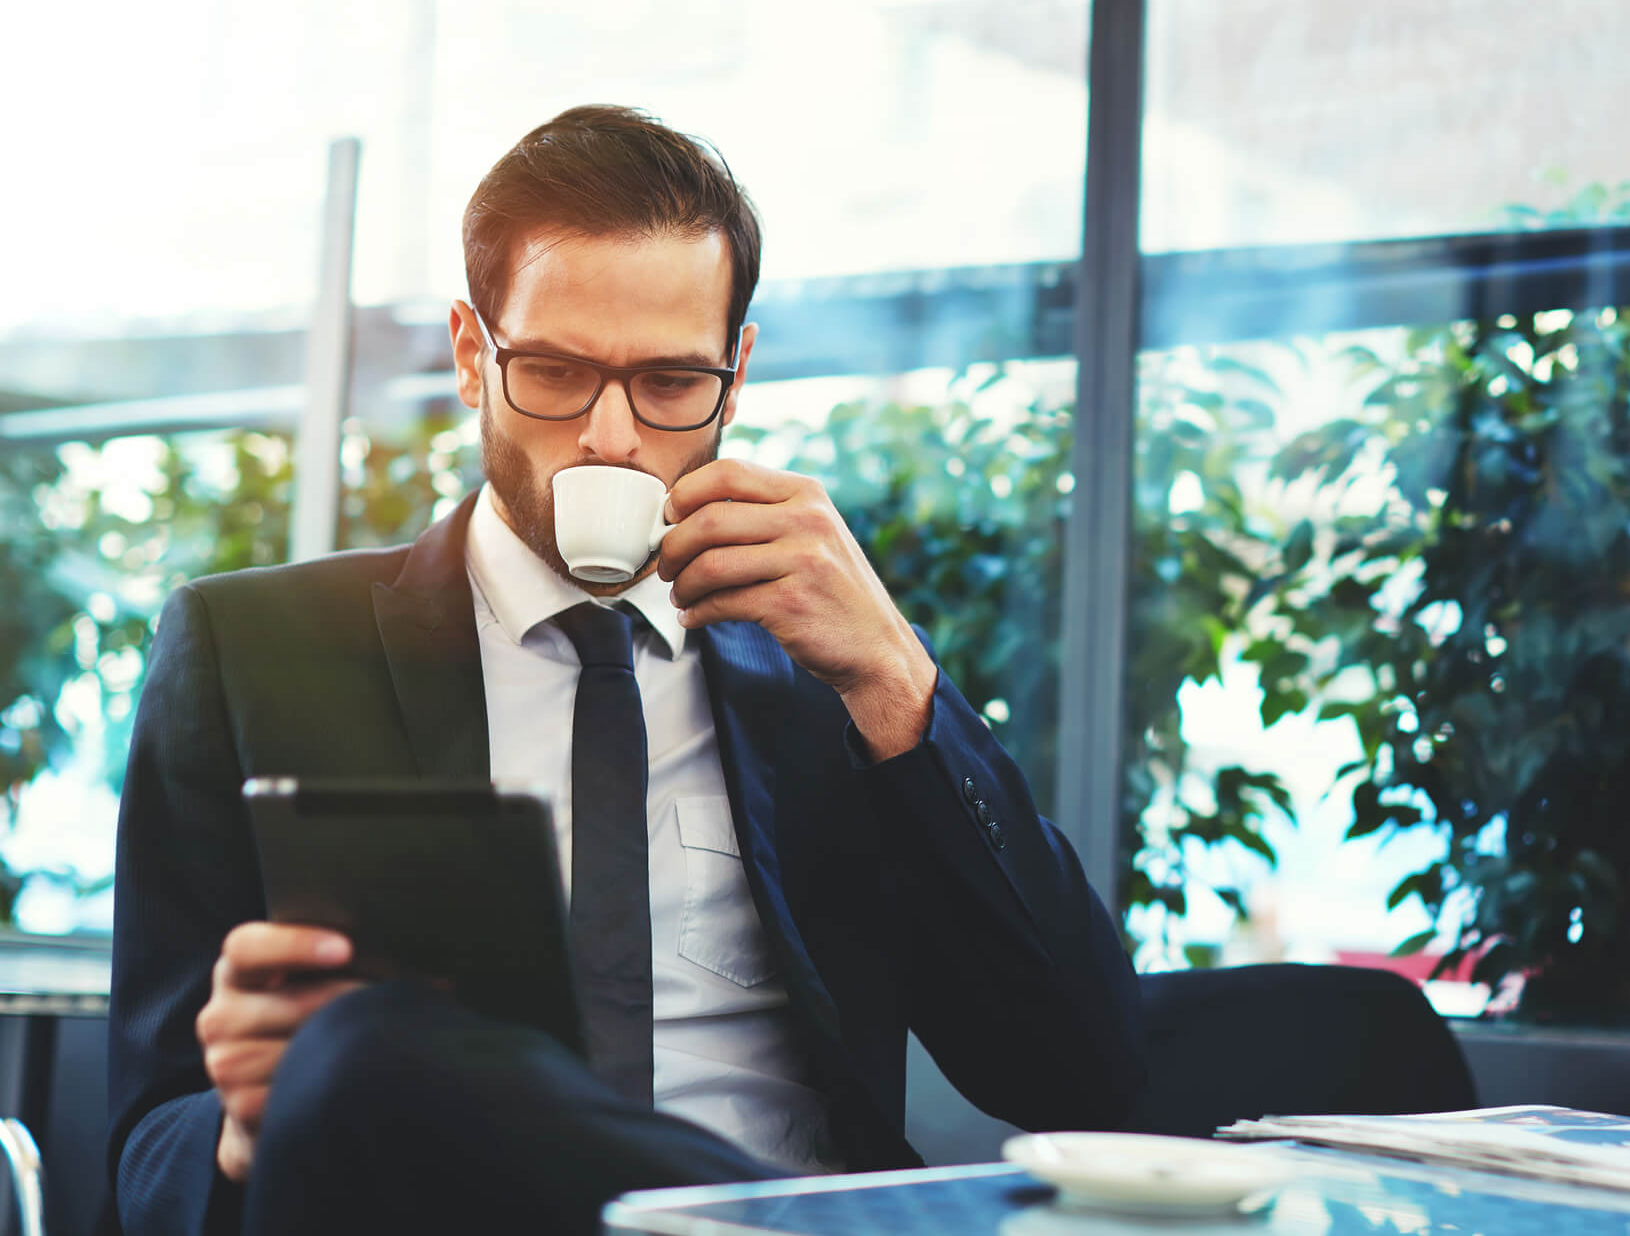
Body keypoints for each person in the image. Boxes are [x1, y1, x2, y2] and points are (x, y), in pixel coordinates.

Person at [107, 105, 1145, 1236]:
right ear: (471, 354)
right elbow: (145, 1142)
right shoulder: (251, 650)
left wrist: (899, 683)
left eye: (666, 382)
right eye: (552, 371)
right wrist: (250, 1123)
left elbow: (1083, 1073)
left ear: (735, 373)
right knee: (366, 1047)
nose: (608, 436)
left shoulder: (827, 676)